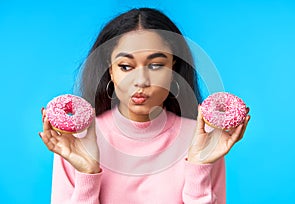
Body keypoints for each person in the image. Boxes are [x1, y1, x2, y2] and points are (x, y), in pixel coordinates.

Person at [39, 7, 250, 204]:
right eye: (126, 66)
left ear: (173, 69)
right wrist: (87, 174)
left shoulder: (203, 139)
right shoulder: (76, 141)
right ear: (110, 70)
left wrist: (198, 168)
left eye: (156, 65)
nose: (141, 80)